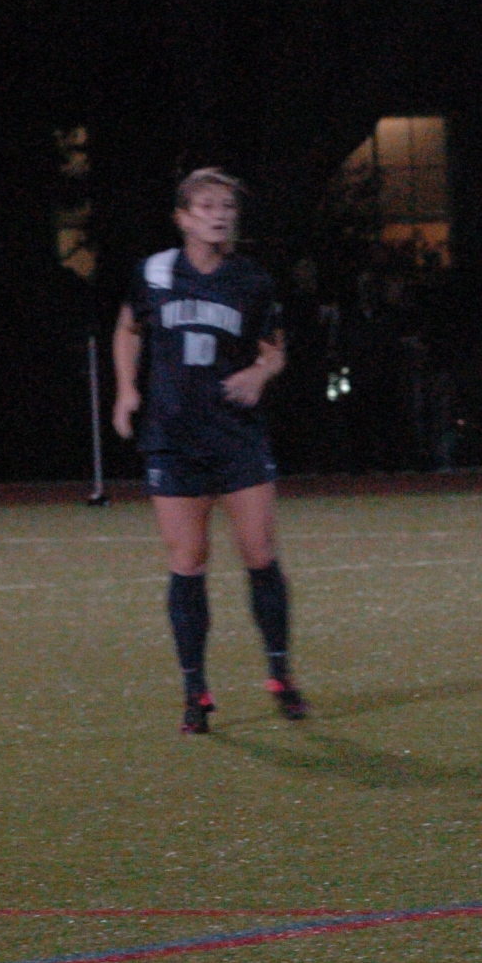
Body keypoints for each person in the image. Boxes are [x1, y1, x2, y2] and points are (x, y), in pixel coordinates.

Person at [112, 168, 308, 734]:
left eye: (227, 206)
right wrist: (126, 390)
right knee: (188, 562)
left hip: (235, 436)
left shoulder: (251, 280)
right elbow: (128, 329)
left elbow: (275, 351)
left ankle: (280, 674)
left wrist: (259, 374)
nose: (219, 215)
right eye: (206, 206)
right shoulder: (153, 272)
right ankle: (195, 691)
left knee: (260, 554)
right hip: (173, 441)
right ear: (182, 218)